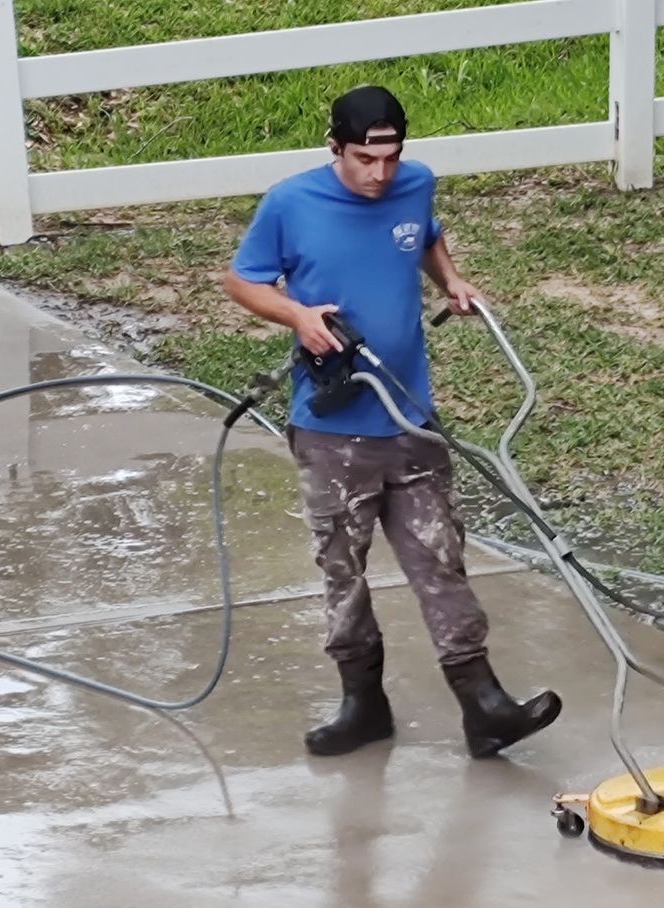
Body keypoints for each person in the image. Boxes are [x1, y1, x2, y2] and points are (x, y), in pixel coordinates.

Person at [222, 85, 562, 758]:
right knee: (343, 568)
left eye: (390, 160)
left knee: (441, 560)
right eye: (362, 161)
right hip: (333, 429)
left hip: (412, 419)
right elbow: (243, 281)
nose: (379, 176)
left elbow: (427, 237)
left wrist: (452, 281)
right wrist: (299, 316)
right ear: (335, 148)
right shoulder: (292, 203)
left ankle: (483, 704)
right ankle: (363, 704)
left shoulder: (415, 186)